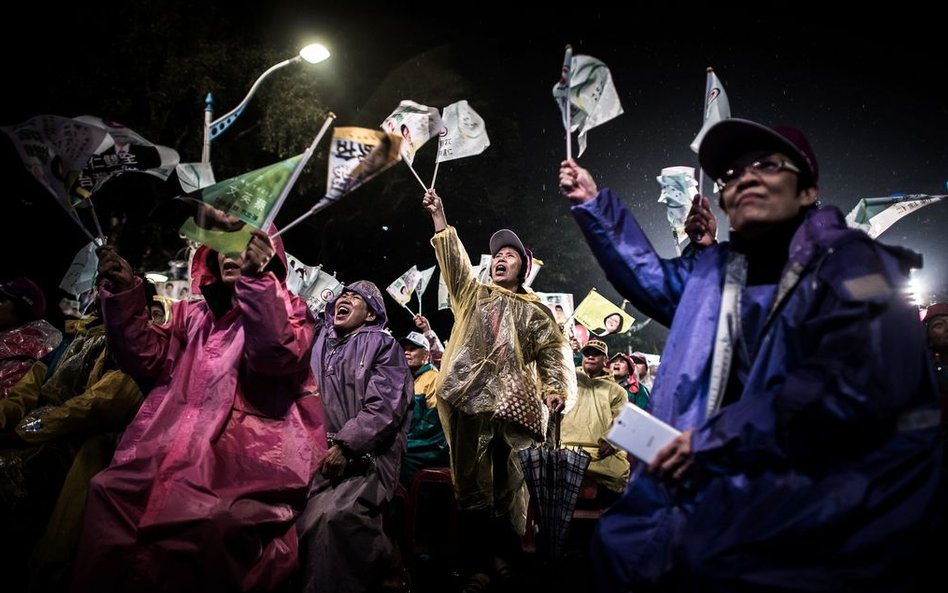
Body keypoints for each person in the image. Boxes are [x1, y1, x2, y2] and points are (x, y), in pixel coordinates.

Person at [560, 118, 944, 592]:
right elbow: (649, 277)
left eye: (766, 164)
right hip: (712, 494)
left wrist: (713, 440)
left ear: (808, 190)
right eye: (731, 175)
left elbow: (848, 380)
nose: (745, 177)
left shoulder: (858, 265)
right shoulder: (716, 272)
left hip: (830, 511)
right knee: (622, 548)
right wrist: (594, 205)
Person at [72, 227, 326, 593]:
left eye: (246, 246)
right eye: (223, 247)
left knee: (208, 523)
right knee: (108, 491)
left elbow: (276, 353)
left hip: (242, 466)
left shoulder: (291, 310)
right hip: (164, 450)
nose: (232, 254)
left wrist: (258, 284)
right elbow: (142, 356)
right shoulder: (192, 316)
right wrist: (124, 293)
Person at [421, 188, 576, 592]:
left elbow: (554, 355)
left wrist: (556, 389)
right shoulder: (473, 295)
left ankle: (503, 561)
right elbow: (454, 263)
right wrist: (440, 216)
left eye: (510, 254)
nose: (500, 259)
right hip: (468, 407)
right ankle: (477, 566)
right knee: (471, 486)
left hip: (512, 411)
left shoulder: (537, 312)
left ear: (524, 266)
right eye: (497, 255)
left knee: (509, 489)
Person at [297, 280, 413, 593]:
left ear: (372, 315)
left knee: (332, 517)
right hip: (313, 454)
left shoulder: (383, 345)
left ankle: (383, 571)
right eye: (342, 295)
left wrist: (347, 447)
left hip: (366, 457)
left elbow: (385, 405)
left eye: (355, 297)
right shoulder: (318, 339)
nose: (344, 299)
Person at [561, 339, 630, 503]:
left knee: (620, 474)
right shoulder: (569, 380)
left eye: (596, 354)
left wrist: (612, 441)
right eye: (587, 353)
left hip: (599, 452)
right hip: (566, 447)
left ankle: (606, 521)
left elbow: (622, 420)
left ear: (605, 360)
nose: (590, 357)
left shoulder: (617, 391)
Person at [0, 277, 62, 400]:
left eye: (1, 300)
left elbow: (8, 403)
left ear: (20, 311)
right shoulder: (6, 342)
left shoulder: (25, 353)